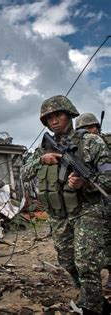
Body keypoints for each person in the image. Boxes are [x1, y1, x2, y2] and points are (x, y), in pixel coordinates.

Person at [21, 96, 111, 314]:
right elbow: (24, 173)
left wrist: (86, 184)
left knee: (86, 263)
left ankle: (91, 308)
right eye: (49, 118)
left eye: (58, 115)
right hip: (59, 214)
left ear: (69, 114)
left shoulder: (91, 142)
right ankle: (94, 298)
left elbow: (109, 177)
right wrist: (42, 159)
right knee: (67, 262)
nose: (54, 121)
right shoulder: (44, 148)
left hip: (87, 210)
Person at [75, 112, 111, 295]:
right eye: (82, 129)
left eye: (91, 127)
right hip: (96, 203)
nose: (88, 132)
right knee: (101, 242)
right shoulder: (80, 148)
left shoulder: (105, 144)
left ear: (98, 127)